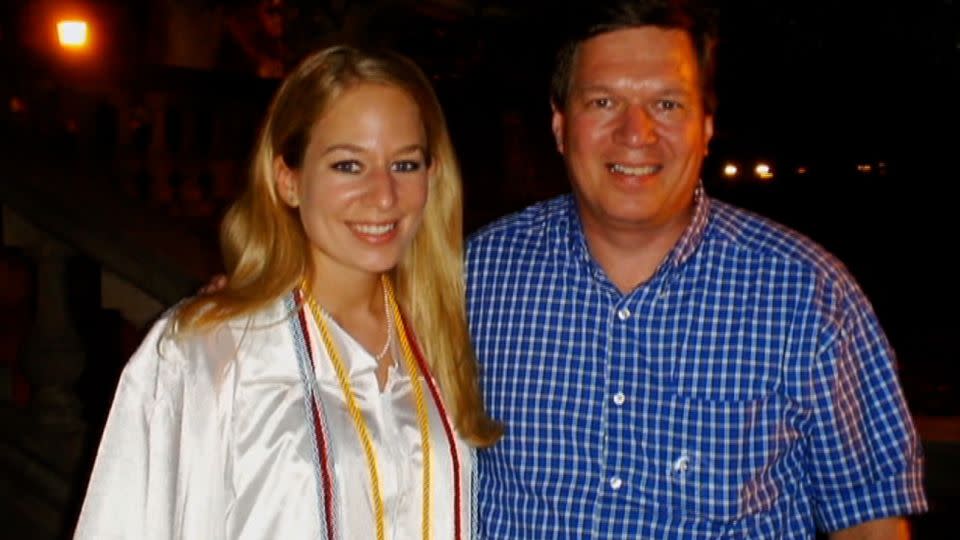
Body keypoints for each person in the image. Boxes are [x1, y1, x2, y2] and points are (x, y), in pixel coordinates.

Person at [466, 0, 927, 538]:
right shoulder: (474, 279)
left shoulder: (809, 294)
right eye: (603, 101)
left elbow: (869, 522)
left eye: (666, 103)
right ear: (561, 125)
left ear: (706, 127)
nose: (635, 132)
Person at [74, 45, 501, 540]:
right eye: (348, 165)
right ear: (288, 179)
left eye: (405, 165)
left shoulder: (443, 336)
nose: (384, 196)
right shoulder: (211, 353)